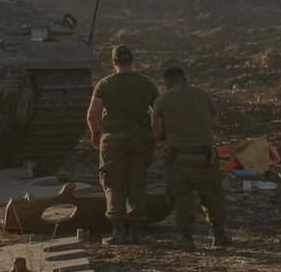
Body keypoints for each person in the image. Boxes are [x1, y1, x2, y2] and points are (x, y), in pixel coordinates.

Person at [85, 45, 158, 245]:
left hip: (113, 139)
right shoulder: (146, 83)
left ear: (114, 62)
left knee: (113, 183)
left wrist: (96, 134)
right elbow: (158, 111)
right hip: (141, 138)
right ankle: (136, 231)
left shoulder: (104, 84)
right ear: (132, 60)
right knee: (137, 182)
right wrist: (155, 133)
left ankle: (118, 232)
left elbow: (92, 115)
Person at [151, 65, 228, 250]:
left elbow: (157, 132)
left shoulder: (162, 99)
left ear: (168, 81)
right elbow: (217, 123)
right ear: (184, 78)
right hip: (204, 157)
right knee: (212, 196)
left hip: (177, 158)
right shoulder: (203, 95)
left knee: (181, 199)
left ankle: (186, 238)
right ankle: (219, 235)